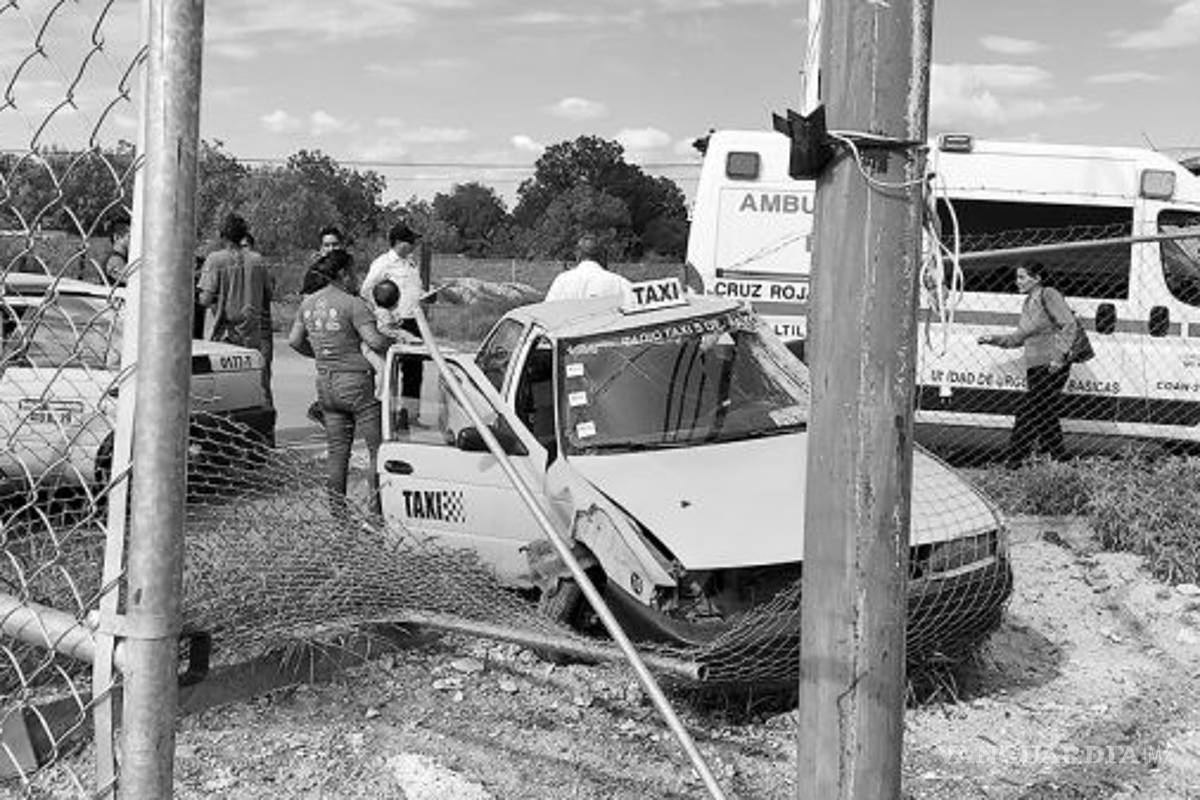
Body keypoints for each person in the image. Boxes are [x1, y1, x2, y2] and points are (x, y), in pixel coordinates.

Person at [288, 249, 391, 517]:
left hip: (326, 385)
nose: (357, 278)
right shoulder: (353, 304)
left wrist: (320, 355)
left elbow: (294, 341)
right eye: (355, 271)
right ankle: (376, 513)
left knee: (337, 452)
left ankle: (338, 516)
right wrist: (396, 341)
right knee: (376, 451)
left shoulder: (308, 304)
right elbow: (376, 341)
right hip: (357, 384)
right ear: (344, 274)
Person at [978, 261, 1078, 468]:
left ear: (1037, 278)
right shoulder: (1027, 303)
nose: (1017, 282)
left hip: (1051, 365)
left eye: (1022, 277)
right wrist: (993, 339)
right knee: (1044, 413)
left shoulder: (1048, 295)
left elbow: (1068, 324)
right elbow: (1019, 337)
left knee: (1027, 412)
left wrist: (1059, 356)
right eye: (1017, 277)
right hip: (1035, 366)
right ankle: (1061, 458)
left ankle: (1014, 461)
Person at [198, 213, 275, 405]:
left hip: (224, 337)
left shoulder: (215, 260)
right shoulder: (257, 260)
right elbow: (269, 293)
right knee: (258, 387)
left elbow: (205, 299)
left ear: (222, 235)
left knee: (225, 392)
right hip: (251, 335)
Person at [362, 221, 426, 423]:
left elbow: (414, 289)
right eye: (410, 242)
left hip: (415, 320)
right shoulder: (383, 263)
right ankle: (387, 415)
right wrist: (382, 312)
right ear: (398, 242)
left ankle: (409, 415)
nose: (413, 245)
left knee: (414, 371)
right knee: (391, 369)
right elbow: (367, 290)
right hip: (395, 323)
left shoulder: (411, 263)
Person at [362, 278, 421, 404]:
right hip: (375, 352)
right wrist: (402, 336)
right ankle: (381, 403)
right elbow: (385, 330)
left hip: (375, 349)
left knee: (388, 375)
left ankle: (386, 403)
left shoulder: (383, 313)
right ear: (398, 300)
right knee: (383, 373)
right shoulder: (383, 314)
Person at [544, 234, 630, 301]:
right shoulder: (619, 282)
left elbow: (547, 312)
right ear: (602, 256)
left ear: (578, 255)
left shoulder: (561, 281)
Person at [104, 216, 131, 287]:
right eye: (129, 237)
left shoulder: (122, 258)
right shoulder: (114, 260)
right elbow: (130, 281)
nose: (132, 241)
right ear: (117, 237)